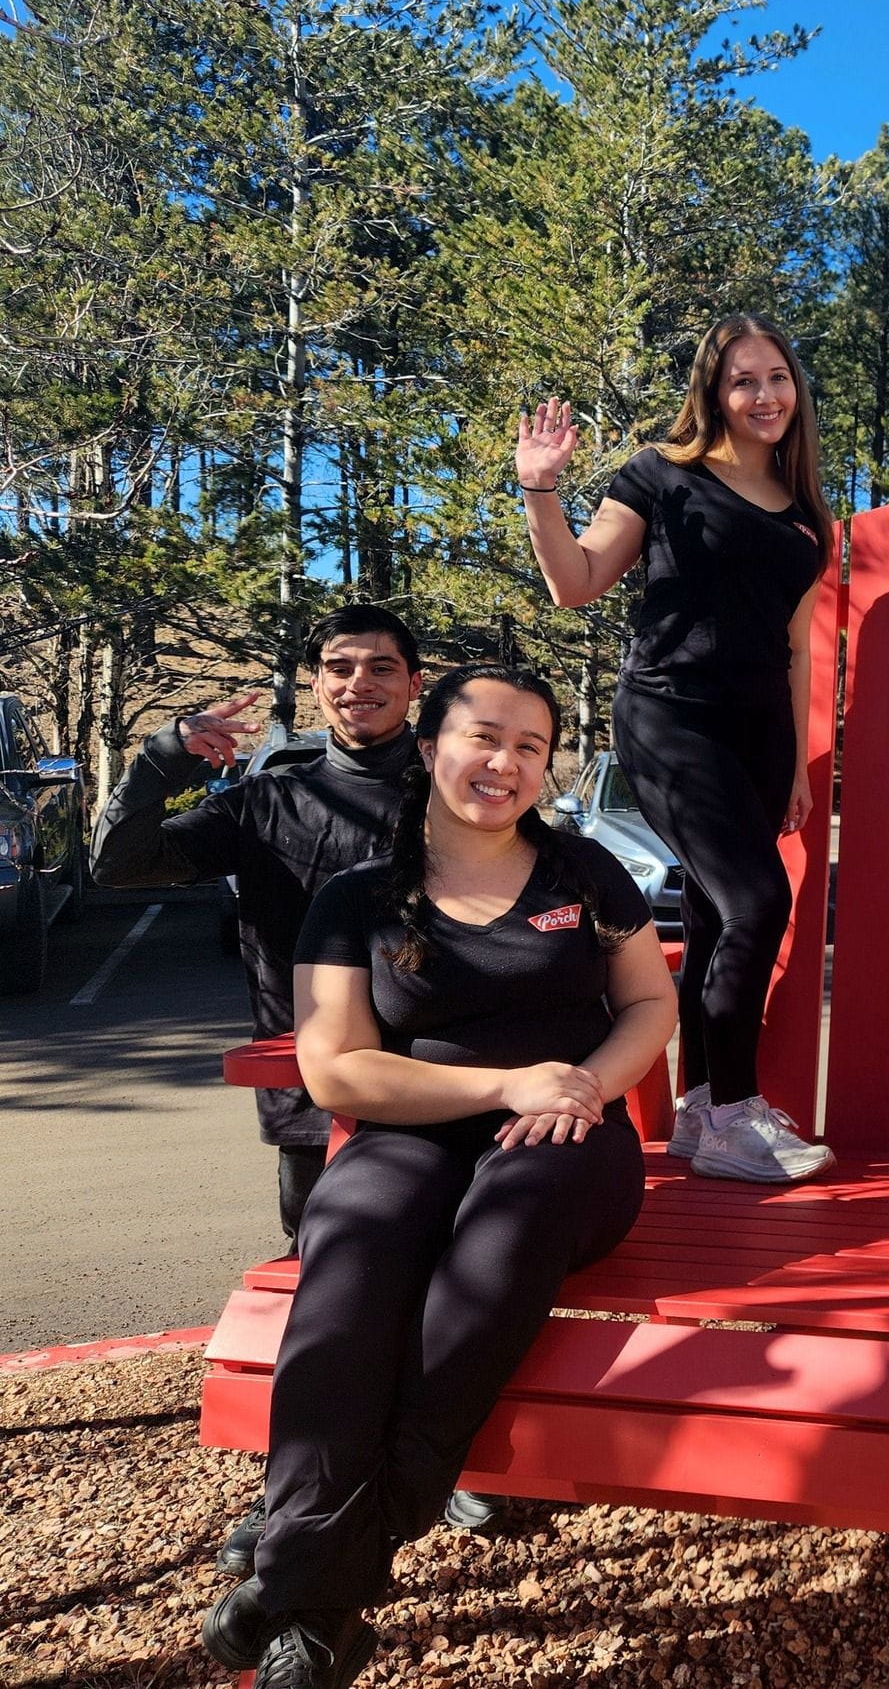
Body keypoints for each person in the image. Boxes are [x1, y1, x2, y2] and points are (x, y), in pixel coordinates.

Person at [201, 663, 675, 1689]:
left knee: (507, 1226)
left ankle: (300, 1574)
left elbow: (646, 1003)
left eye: (530, 747)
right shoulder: (357, 898)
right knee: (352, 1249)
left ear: (548, 767)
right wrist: (505, 1085)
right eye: (482, 736)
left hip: (565, 1139)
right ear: (430, 749)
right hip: (415, 1127)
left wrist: (581, 1088)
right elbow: (335, 1066)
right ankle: (325, 1602)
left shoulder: (585, 872)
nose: (503, 762)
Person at [517, 314, 835, 1183]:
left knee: (708, 919)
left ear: (796, 389)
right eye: (743, 380)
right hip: (670, 717)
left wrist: (798, 762)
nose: (763, 394)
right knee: (756, 903)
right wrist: (541, 492)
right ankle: (737, 1108)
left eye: (777, 376)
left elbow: (797, 646)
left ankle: (700, 1110)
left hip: (759, 736)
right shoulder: (661, 476)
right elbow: (574, 582)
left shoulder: (808, 512)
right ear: (714, 392)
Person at [91, 603, 425, 1243]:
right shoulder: (267, 801)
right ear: (315, 685)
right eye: (340, 668)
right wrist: (165, 756)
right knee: (320, 1266)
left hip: (443, 1074)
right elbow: (118, 866)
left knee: (449, 1268)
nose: (361, 683)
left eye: (383, 668)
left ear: (414, 685)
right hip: (309, 1090)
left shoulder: (456, 795)